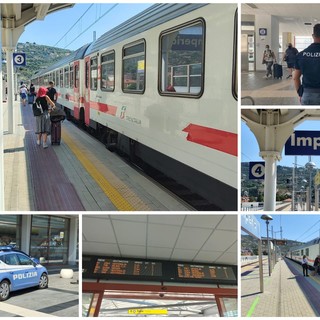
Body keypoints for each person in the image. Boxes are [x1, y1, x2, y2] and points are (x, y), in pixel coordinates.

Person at [293, 23, 320, 105]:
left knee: (309, 116)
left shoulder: (301, 55)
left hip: (308, 94)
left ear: (313, 36)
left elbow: (295, 77)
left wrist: (300, 93)